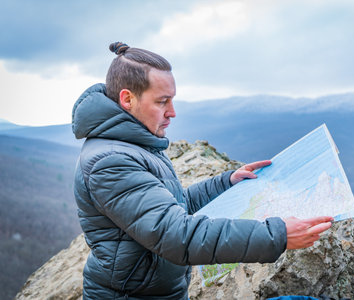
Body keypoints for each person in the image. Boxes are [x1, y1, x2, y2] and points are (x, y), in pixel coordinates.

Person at [72, 42, 333, 300]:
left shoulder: (134, 143)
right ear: (127, 99)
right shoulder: (110, 161)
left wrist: (226, 183)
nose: (172, 112)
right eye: (163, 102)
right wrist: (277, 235)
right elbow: (177, 235)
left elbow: (174, 206)